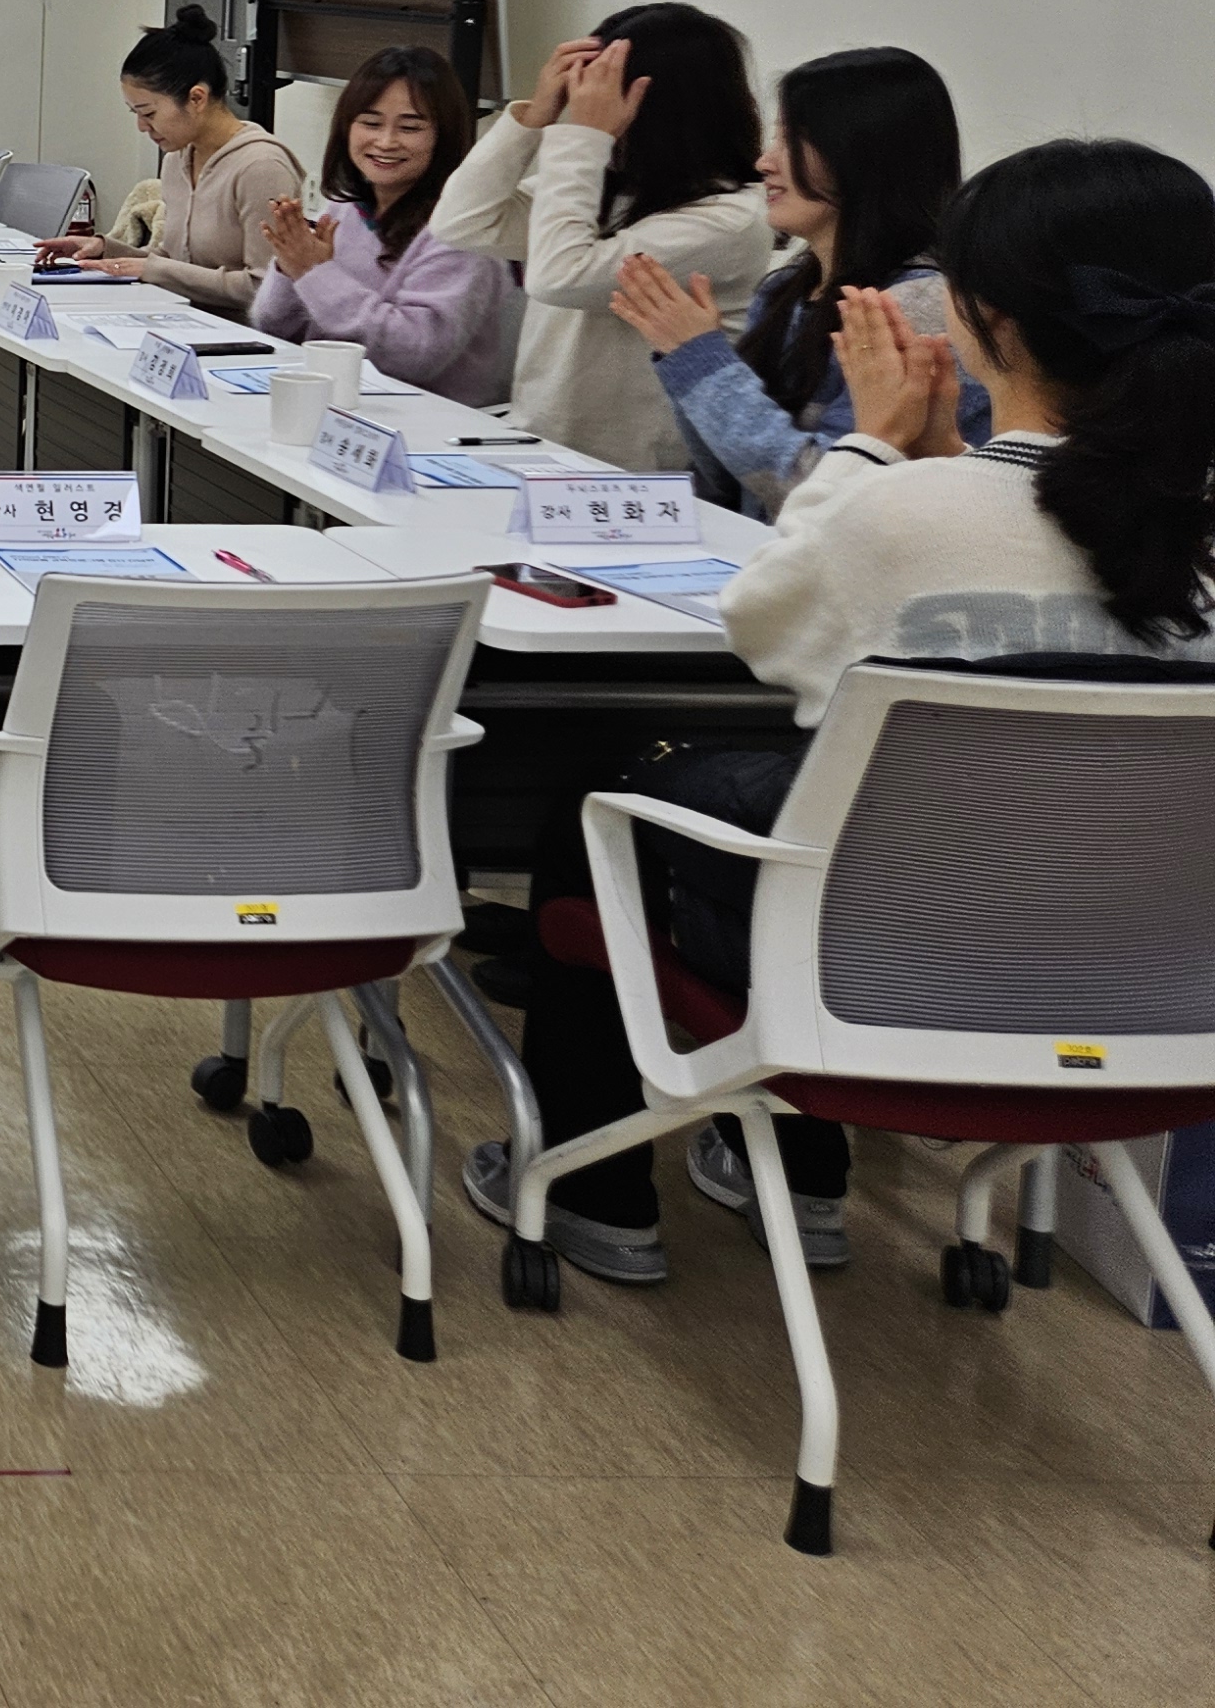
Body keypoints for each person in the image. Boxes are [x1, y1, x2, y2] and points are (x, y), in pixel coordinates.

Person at [471, 137, 1215, 1287]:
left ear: (984, 319)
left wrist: (871, 446)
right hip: (1144, 993)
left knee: (610, 790)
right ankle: (795, 1178)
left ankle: (594, 1195)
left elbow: (762, 621)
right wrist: (945, 462)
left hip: (874, 967)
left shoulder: (904, 511)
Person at [605, 44, 984, 511]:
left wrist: (701, 361)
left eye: (792, 140)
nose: (765, 162)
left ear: (864, 152)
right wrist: (687, 356)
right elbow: (729, 478)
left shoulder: (917, 304)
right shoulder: (785, 289)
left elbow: (827, 493)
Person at [427, 2, 773, 473]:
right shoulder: (610, 185)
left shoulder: (728, 219)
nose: (583, 101)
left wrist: (584, 138)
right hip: (542, 447)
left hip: (642, 476)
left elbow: (558, 278)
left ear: (657, 104)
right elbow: (461, 222)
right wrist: (533, 117)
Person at [248, 45, 510, 400]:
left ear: (443, 136)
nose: (386, 142)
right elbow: (272, 326)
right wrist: (290, 266)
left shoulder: (462, 231)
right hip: (334, 400)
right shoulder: (344, 207)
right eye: (370, 123)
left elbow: (414, 355)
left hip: (426, 418)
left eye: (410, 127)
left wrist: (314, 273)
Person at [38, 5, 300, 317]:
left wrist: (151, 268)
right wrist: (105, 249)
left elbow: (264, 286)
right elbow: (174, 261)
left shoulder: (261, 167)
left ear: (197, 98)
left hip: (240, 335)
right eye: (135, 114)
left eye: (149, 113)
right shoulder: (178, 158)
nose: (142, 127)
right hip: (179, 320)